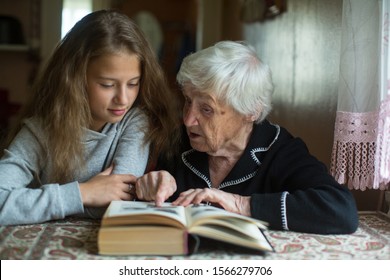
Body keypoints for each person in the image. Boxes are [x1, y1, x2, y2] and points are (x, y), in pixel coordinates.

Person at [134, 41, 359, 234]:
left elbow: (341, 210)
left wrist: (242, 204)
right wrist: (146, 189)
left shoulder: (279, 150)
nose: (188, 119)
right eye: (187, 101)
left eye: (206, 109)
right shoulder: (179, 143)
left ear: (249, 112)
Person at [0, 10, 180, 225]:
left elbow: (114, 204)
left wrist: (35, 203)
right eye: (107, 85)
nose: (123, 99)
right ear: (74, 79)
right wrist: (83, 193)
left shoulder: (135, 122)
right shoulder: (40, 130)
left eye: (133, 83)